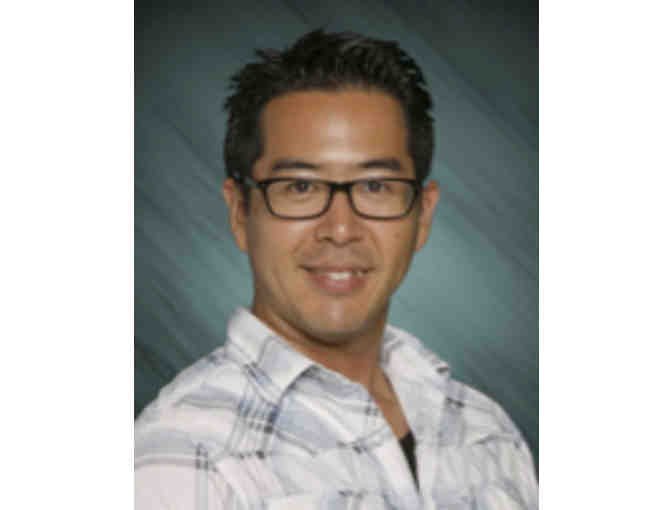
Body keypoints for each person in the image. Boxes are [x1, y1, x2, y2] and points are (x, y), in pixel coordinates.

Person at [135, 30, 538, 509]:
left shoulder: (487, 434)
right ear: (240, 212)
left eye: (375, 186)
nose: (341, 229)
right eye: (300, 187)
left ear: (422, 215)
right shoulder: (184, 459)